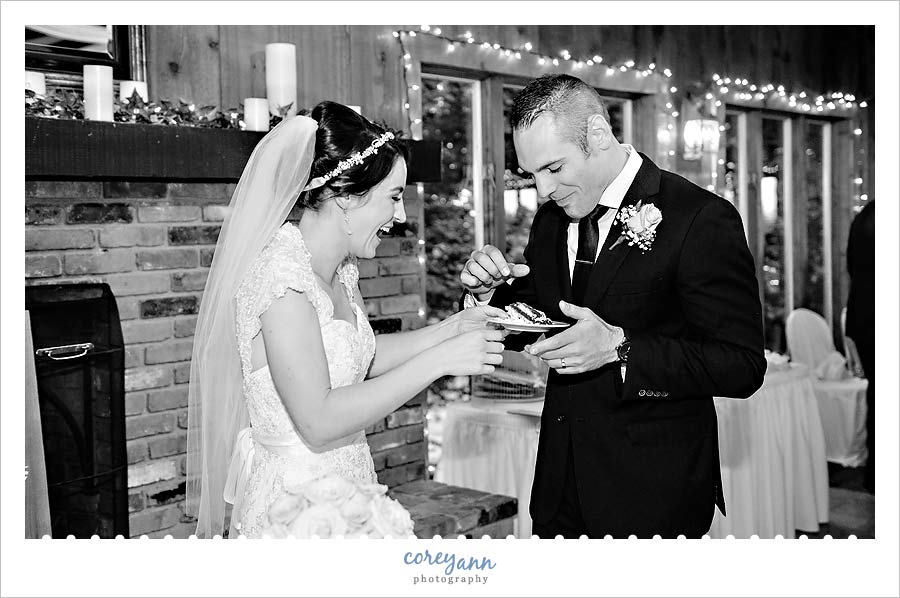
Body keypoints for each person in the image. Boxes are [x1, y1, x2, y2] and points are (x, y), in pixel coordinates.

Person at [459, 74, 766, 538]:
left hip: (652, 496)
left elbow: (741, 365)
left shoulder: (698, 218)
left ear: (599, 135)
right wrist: (493, 296)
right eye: (532, 174)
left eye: (554, 167)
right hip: (559, 490)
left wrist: (621, 349)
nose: (543, 191)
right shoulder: (550, 221)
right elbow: (551, 317)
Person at [186, 101, 507, 538]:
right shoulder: (283, 280)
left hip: (350, 485)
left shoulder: (340, 270)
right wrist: (440, 362)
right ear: (345, 197)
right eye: (393, 197)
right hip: (299, 508)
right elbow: (318, 421)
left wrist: (455, 328)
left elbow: (361, 357)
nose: (399, 216)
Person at [845, 200, 874, 493]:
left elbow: (851, 268)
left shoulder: (864, 215)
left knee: (876, 397)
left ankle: (875, 475)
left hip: (863, 318)